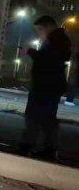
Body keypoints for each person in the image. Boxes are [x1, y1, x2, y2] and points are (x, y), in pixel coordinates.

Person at [18, 15, 72, 159]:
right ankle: (46, 148)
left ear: (48, 27)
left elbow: (48, 60)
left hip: (46, 86)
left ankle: (31, 146)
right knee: (45, 118)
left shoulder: (57, 40)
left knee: (35, 116)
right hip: (48, 85)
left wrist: (30, 51)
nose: (39, 33)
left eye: (40, 30)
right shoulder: (58, 39)